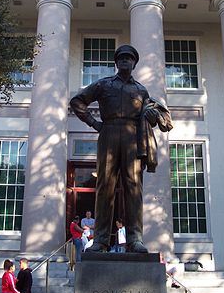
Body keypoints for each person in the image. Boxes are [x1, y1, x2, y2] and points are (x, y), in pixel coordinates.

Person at [70, 44, 173, 253]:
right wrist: (94, 123)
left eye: (129, 58)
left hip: (132, 137)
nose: (125, 61)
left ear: (134, 63)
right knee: (105, 186)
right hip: (108, 133)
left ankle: (135, 239)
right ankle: (100, 240)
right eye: (121, 58)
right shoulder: (104, 85)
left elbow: (152, 117)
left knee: (133, 188)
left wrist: (152, 116)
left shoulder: (141, 90)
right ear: (116, 62)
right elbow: (77, 102)